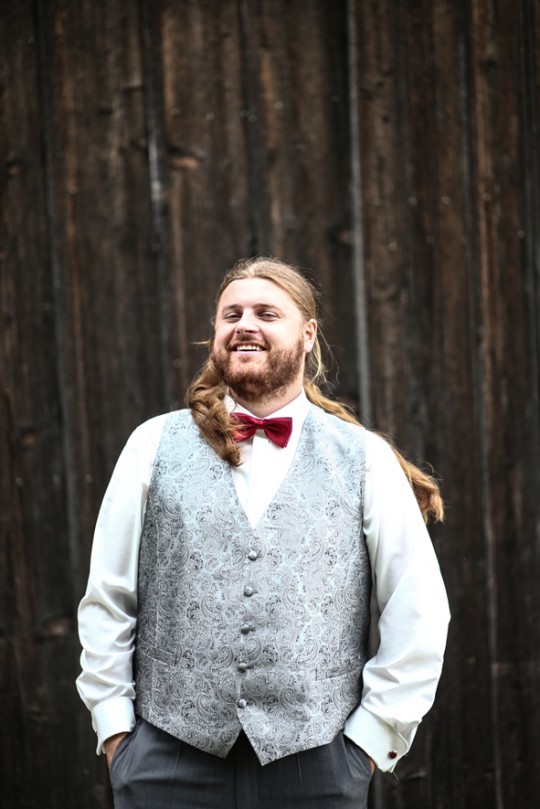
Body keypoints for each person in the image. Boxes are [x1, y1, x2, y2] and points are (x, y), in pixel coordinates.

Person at [77, 256, 450, 809]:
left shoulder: (363, 457)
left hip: (317, 766)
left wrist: (369, 745)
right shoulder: (152, 445)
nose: (244, 325)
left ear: (308, 335)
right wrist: (116, 734)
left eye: (266, 313)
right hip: (165, 761)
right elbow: (108, 597)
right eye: (232, 314)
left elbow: (417, 609)